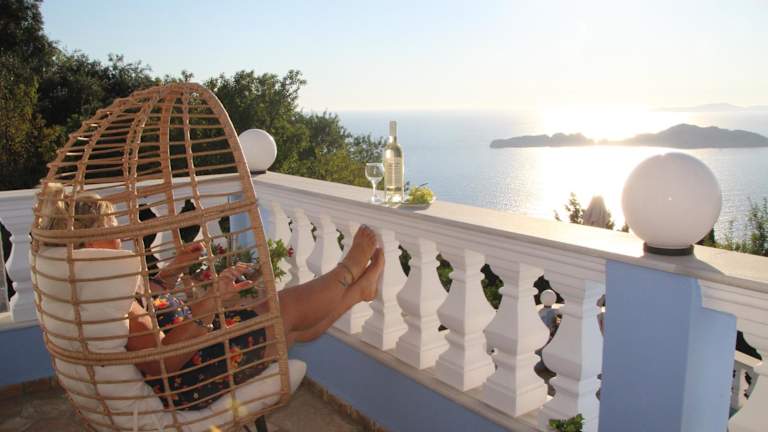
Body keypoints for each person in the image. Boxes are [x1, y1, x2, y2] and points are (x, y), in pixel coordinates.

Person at [38, 183, 384, 410]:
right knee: (280, 309)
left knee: (285, 328)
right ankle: (348, 270)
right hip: (189, 377)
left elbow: (146, 304)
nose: (121, 236)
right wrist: (212, 301)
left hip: (191, 352)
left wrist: (175, 269)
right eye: (112, 229)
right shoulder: (108, 296)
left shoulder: (91, 285)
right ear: (90, 242)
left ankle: (357, 292)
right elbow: (162, 363)